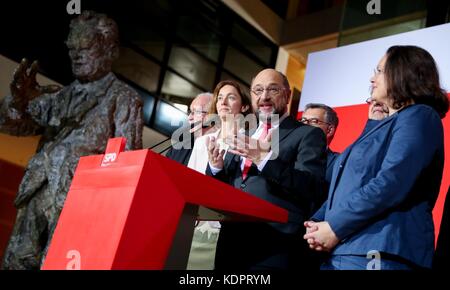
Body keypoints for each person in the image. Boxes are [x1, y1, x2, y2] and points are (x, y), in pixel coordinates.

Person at [0, 11, 144, 269]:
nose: (76, 55)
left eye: (85, 47)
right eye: (71, 48)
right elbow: (15, 127)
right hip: (36, 190)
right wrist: (18, 103)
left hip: (80, 202)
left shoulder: (123, 98)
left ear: (110, 50)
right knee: (15, 263)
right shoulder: (59, 95)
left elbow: (128, 161)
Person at [304, 45, 449, 270]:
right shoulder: (391, 122)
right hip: (349, 250)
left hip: (379, 252)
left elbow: (391, 183)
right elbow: (351, 183)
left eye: (379, 71)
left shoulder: (420, 115)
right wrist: (318, 221)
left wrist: (334, 226)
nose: (372, 78)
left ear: (402, 73)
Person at [206, 69, 327, 270]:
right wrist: (216, 167)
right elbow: (228, 187)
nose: (264, 97)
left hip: (274, 246)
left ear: (287, 95)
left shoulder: (307, 135)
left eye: (273, 90)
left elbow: (310, 186)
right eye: (258, 90)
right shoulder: (243, 133)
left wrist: (264, 158)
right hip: (230, 242)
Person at [186, 80, 252, 270]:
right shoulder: (202, 142)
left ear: (244, 106)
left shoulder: (249, 143)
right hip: (196, 226)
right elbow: (190, 183)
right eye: (220, 97)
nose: (223, 102)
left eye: (231, 97)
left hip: (226, 230)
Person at [165, 92, 213, 166]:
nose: (189, 117)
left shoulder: (219, 148)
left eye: (196, 112)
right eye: (190, 112)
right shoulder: (179, 145)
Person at [300, 103, 339, 183]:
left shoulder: (338, 163)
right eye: (303, 120)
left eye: (314, 121)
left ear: (329, 130)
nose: (305, 125)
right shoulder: (287, 156)